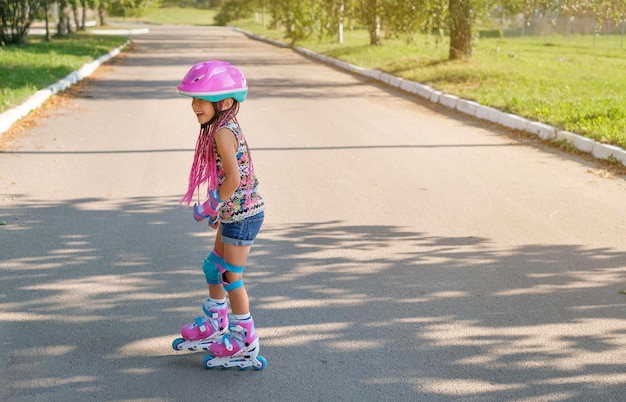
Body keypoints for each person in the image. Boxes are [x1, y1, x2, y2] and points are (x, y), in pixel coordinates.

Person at [176, 60, 265, 360]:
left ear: (225, 102)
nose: (194, 105)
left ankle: (245, 338)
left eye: (202, 99)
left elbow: (235, 178)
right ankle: (216, 323)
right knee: (213, 268)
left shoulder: (222, 132)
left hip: (244, 215)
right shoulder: (220, 126)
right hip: (234, 212)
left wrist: (210, 205)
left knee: (230, 277)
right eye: (194, 98)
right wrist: (220, 210)